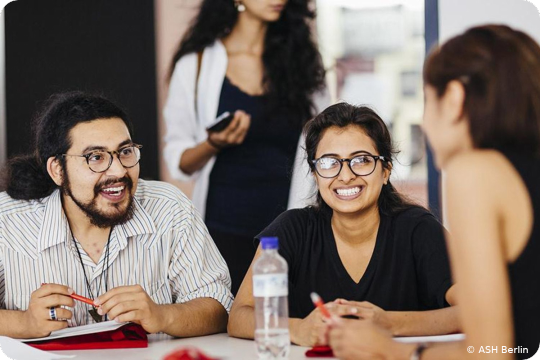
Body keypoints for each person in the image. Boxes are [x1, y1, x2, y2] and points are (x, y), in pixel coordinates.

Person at [328, 24, 540, 360]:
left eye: (428, 100)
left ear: (454, 98)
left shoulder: (475, 172)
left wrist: (389, 351)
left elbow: (493, 353)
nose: (425, 124)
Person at [0, 92, 232, 339]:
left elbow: (219, 306)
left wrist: (162, 315)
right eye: (96, 157)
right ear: (57, 170)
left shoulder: (169, 207)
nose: (119, 170)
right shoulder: (7, 221)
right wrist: (24, 322)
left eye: (125, 152)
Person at [228, 102, 459, 346]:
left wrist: (389, 323)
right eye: (329, 163)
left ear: (385, 170)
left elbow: (477, 310)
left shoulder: (419, 230)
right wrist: (297, 329)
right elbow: (239, 316)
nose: (346, 176)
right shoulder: (291, 230)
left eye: (361, 160)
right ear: (315, 175)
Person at [163, 0, 327, 295]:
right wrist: (213, 143)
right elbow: (180, 160)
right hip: (221, 229)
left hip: (287, 230)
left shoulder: (302, 65)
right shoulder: (196, 65)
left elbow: (324, 141)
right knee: (223, 326)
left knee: (282, 323)